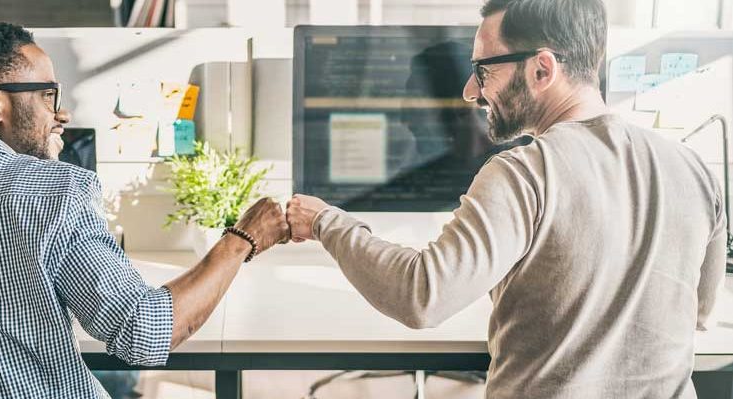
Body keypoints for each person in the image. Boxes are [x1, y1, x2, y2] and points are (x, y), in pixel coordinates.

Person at [286, 0, 726, 397]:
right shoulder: (695, 170)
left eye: (483, 70)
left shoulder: (524, 174)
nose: (470, 92)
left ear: (542, 69)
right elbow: (697, 314)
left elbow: (422, 296)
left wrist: (326, 221)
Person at [0, 22, 289, 398]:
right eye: (46, 95)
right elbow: (145, 333)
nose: (60, 112)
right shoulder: (55, 190)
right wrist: (242, 239)